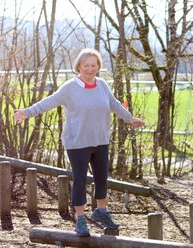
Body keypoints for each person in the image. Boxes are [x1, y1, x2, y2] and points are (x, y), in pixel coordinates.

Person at [13, 48, 145, 237]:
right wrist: (27, 112)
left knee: (101, 178)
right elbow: (49, 102)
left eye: (94, 65)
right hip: (77, 142)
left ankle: (101, 211)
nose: (90, 69)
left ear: (98, 66)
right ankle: (81, 218)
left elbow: (114, 103)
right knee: (80, 180)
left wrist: (129, 118)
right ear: (79, 67)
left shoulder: (102, 85)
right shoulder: (70, 87)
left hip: (100, 140)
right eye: (86, 65)